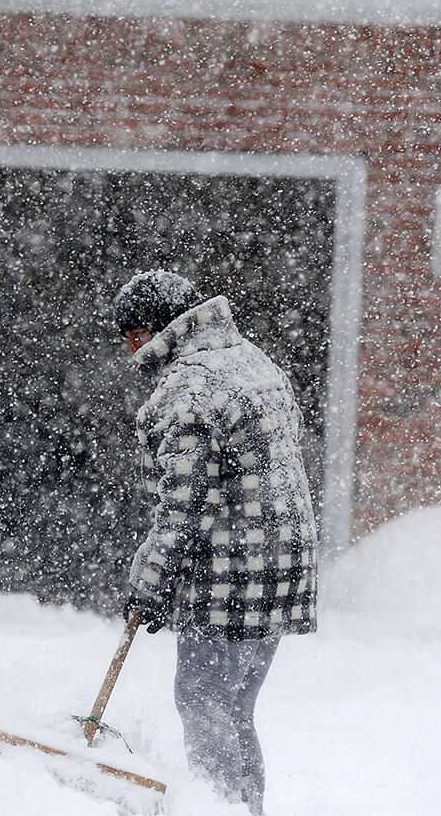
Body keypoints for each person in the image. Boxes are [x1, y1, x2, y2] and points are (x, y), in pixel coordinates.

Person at [112, 270, 318, 815]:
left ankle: (217, 810)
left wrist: (149, 583)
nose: (133, 350)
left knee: (203, 703)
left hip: (231, 571)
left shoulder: (188, 389)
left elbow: (180, 505)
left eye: (133, 334)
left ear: (153, 328)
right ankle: (244, 808)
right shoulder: (253, 361)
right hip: (285, 562)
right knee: (234, 709)